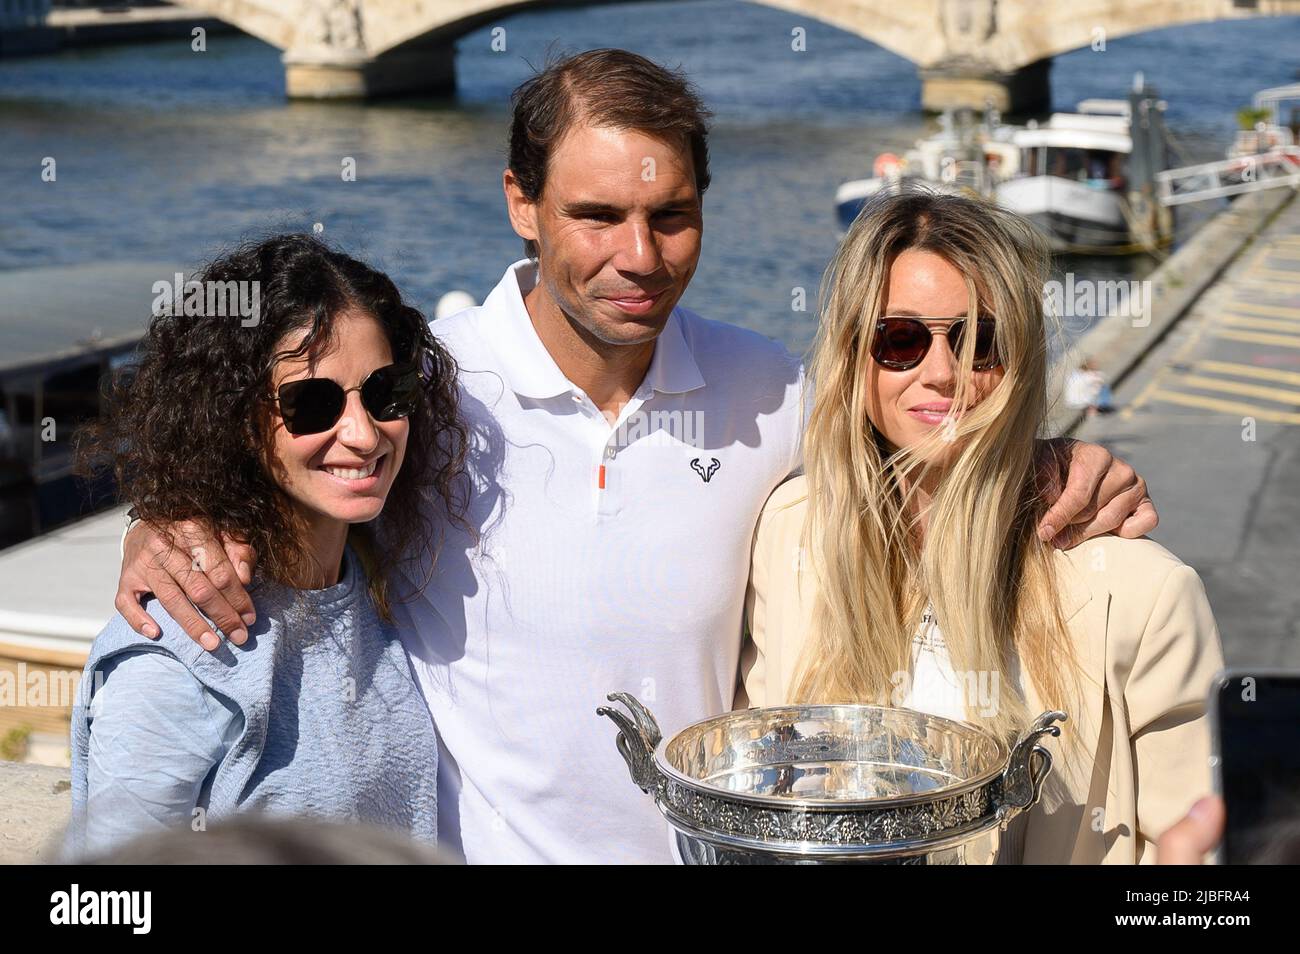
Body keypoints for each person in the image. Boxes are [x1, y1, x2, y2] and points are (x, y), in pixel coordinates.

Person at [111, 51, 1157, 863]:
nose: (639, 258)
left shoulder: (773, 395)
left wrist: (1051, 459)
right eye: (596, 215)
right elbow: (294, 452)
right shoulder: (424, 388)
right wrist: (171, 520)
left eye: (672, 217)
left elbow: (917, 452)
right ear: (521, 203)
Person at [739, 190, 1224, 863]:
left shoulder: (1143, 596)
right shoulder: (788, 539)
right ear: (854, 354)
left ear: (1020, 362)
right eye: (900, 339)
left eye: (979, 341)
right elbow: (759, 793)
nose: (942, 372)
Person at [65, 234, 466, 858]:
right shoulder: (177, 654)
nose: (363, 434)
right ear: (230, 419)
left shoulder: (378, 572)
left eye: (388, 391)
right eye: (312, 403)